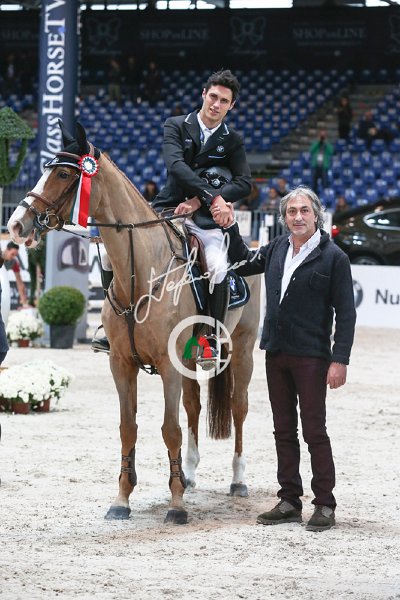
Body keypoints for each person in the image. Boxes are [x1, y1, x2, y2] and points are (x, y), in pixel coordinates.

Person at [213, 186, 356, 532]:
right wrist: (230, 225)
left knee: (314, 430)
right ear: (284, 217)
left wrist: (339, 359)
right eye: (292, 211)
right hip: (276, 352)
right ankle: (290, 499)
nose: (298, 217)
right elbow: (242, 261)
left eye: (304, 211)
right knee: (283, 430)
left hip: (312, 356)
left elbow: (346, 314)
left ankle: (324, 503)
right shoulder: (277, 247)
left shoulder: (334, 257)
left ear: (316, 214)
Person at [151, 68, 252, 369]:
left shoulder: (232, 140)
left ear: (231, 106)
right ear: (203, 94)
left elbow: (244, 182)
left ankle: (209, 340)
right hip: (170, 208)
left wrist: (200, 201)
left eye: (224, 101)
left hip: (206, 219)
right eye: (213, 97)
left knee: (218, 267)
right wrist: (211, 195)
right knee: (120, 253)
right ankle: (115, 326)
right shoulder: (176, 125)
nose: (216, 104)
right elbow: (176, 166)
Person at [1, 242, 28, 308]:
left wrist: (24, 302)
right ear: (7, 250)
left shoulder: (13, 262)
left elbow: (19, 282)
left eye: (15, 255)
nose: (13, 257)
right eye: (12, 254)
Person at [310, 130, 334, 195]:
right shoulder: (316, 143)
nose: (322, 137)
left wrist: (326, 142)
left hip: (324, 167)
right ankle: (314, 196)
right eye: (321, 136)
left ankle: (324, 197)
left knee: (324, 183)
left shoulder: (327, 144)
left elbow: (331, 151)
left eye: (324, 136)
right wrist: (318, 141)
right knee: (314, 183)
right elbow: (311, 150)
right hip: (315, 166)